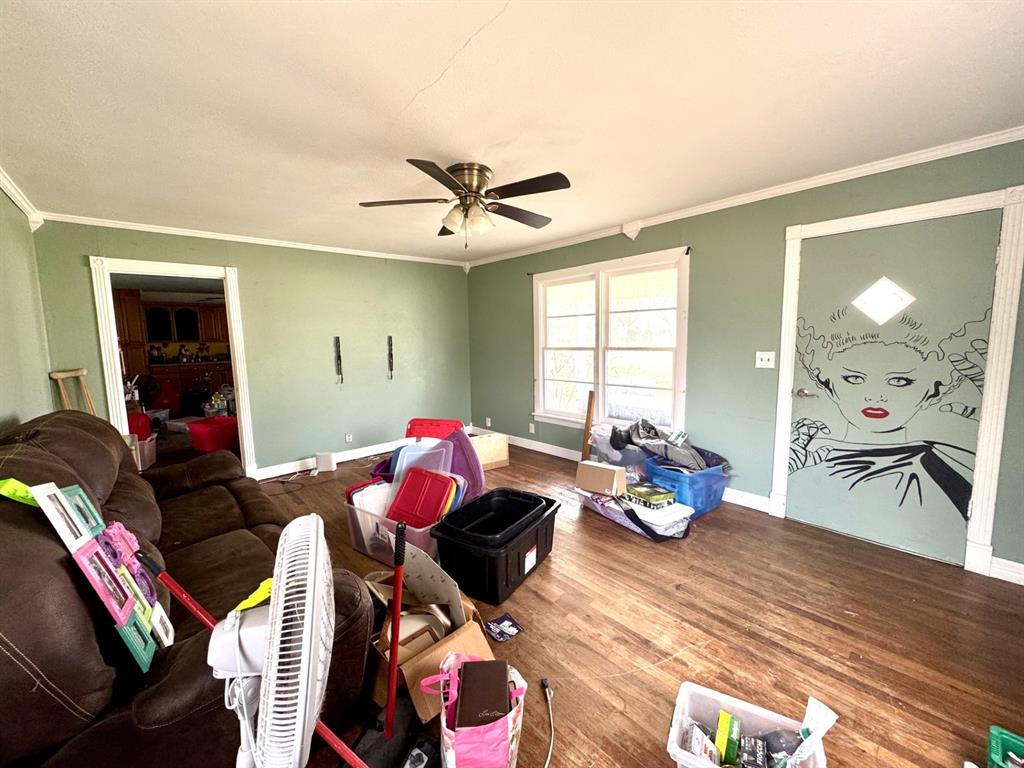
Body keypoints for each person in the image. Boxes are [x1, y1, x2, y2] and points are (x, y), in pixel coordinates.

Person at [789, 307, 990, 521]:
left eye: (899, 380)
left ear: (933, 390)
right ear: (828, 384)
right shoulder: (805, 451)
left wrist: (993, 419)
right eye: (854, 379)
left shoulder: (946, 462)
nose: (875, 396)